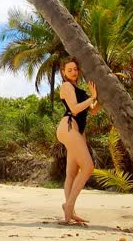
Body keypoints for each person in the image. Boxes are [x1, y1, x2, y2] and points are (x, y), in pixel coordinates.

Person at [56, 55, 100, 225]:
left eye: (75, 69)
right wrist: (92, 96)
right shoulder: (66, 86)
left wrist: (100, 97)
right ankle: (69, 205)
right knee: (88, 167)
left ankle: (70, 213)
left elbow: (93, 110)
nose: (73, 72)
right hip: (68, 127)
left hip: (76, 131)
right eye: (69, 70)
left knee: (71, 174)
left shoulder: (79, 88)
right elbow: (74, 109)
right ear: (63, 72)